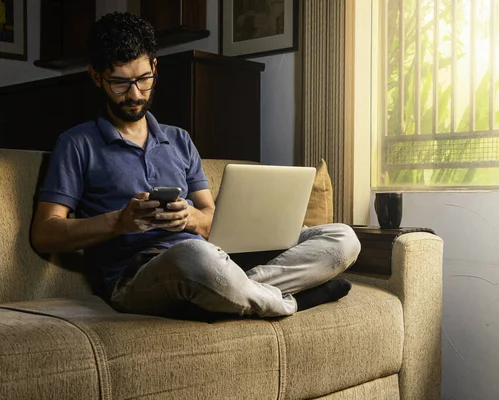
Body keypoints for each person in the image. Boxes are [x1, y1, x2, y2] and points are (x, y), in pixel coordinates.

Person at [31, 12, 361, 320]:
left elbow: (212, 219)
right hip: (136, 276)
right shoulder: (76, 144)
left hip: (211, 259)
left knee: (342, 238)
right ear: (96, 76)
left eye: (144, 79)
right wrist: (120, 221)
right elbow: (45, 233)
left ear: (155, 68)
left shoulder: (179, 140)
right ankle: (286, 300)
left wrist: (191, 219)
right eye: (120, 82)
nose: (134, 94)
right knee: (196, 257)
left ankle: (239, 289)